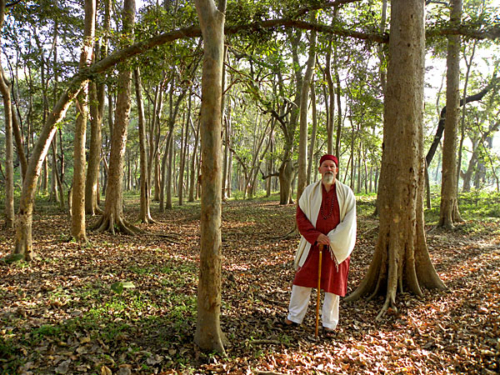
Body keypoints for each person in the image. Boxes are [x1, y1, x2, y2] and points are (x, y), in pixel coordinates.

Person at [284, 154, 356, 337]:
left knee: (332, 286)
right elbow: (301, 218)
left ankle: (329, 324)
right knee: (302, 280)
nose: (329, 169)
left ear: (337, 170)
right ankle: (294, 317)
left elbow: (349, 222)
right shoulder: (309, 192)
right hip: (312, 246)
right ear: (319, 169)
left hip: (335, 248)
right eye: (325, 166)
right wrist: (316, 236)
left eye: (332, 166)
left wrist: (330, 239)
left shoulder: (346, 193)